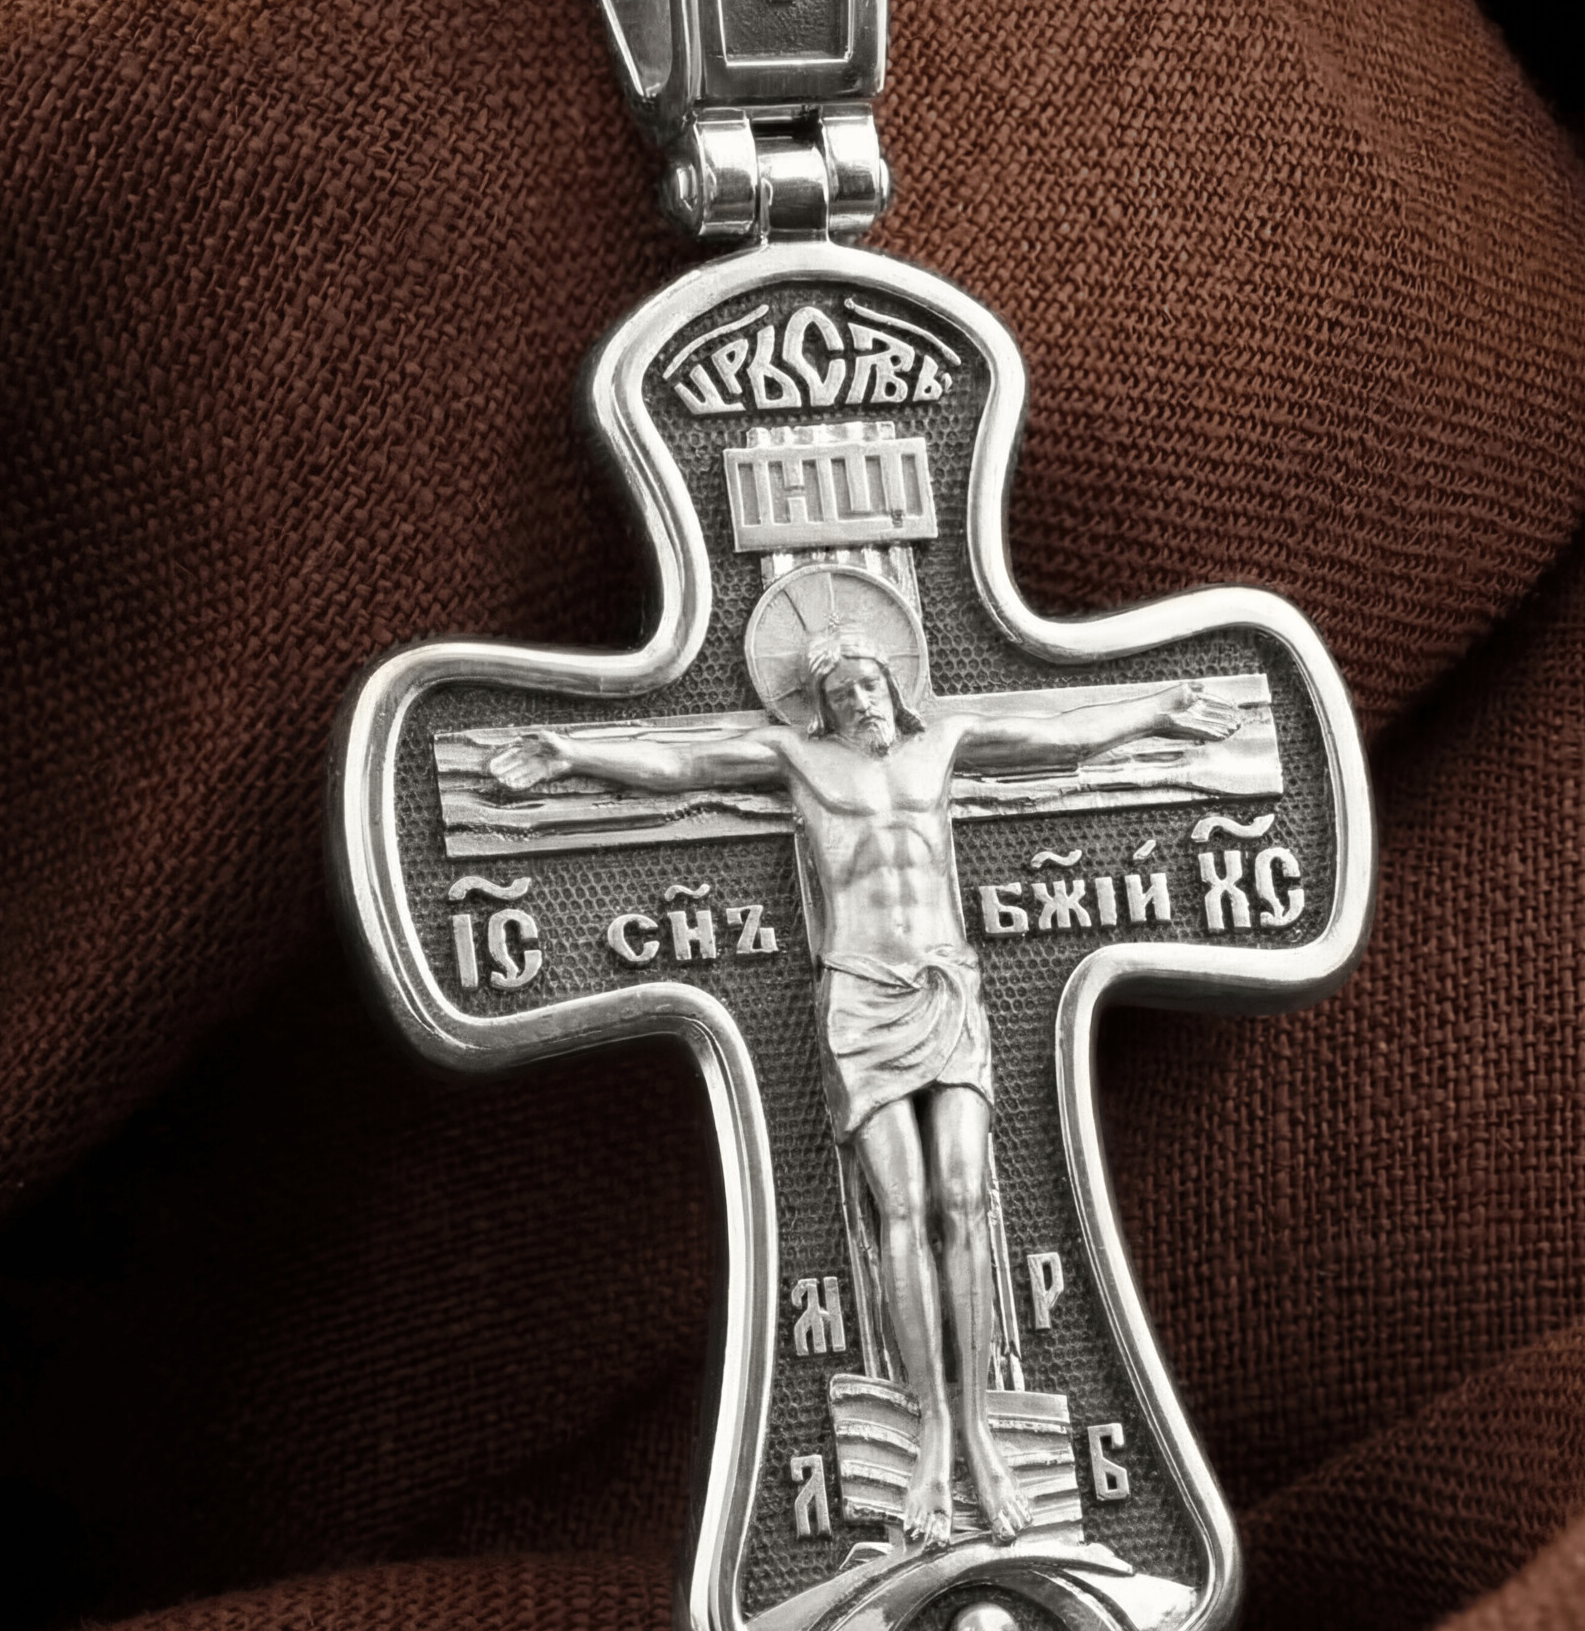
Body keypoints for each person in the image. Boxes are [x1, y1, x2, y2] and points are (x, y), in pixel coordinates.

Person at [488, 614, 1239, 1547]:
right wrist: (571, 753)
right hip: (859, 994)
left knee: (964, 1198)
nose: (860, 701)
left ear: (893, 684)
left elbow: (1058, 735)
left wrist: (1155, 710)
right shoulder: (798, 759)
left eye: (870, 685)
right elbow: (681, 763)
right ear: (821, 705)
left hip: (944, 986)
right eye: (842, 693)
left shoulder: (944, 743)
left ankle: (979, 1433)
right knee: (902, 1205)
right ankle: (931, 1435)